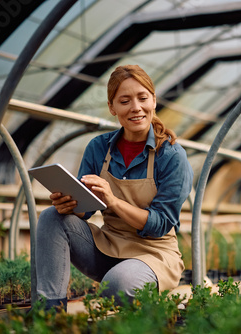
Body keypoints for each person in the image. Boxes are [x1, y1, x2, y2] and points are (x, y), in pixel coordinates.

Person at [35, 65, 194, 310]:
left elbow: (160, 224)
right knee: (51, 217)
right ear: (112, 108)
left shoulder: (171, 155)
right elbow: (85, 212)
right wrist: (70, 204)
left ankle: (150, 298)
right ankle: (49, 314)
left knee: (116, 286)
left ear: (153, 100)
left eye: (142, 98)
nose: (135, 108)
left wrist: (113, 201)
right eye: (124, 101)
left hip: (155, 254)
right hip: (108, 246)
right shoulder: (98, 148)